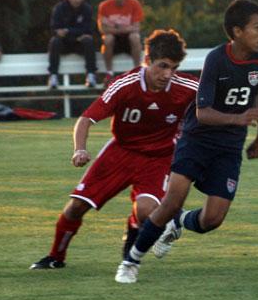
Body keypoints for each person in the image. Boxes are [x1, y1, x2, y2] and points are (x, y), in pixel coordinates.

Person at [118, 0, 258, 284]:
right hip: (197, 139)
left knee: (212, 220)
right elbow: (203, 113)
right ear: (237, 31)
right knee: (171, 201)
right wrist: (238, 119)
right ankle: (132, 259)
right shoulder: (217, 59)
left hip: (229, 148)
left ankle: (179, 222)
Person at [29, 29, 198, 279]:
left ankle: (134, 226)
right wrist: (80, 149)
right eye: (162, 66)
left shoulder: (186, 87)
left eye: (173, 68)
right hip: (121, 152)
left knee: (145, 213)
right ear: (147, 59)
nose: (167, 74)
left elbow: (215, 100)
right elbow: (86, 119)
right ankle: (56, 257)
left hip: (159, 157)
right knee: (76, 207)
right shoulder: (125, 85)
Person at [47, 0, 97, 89]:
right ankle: (53, 76)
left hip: (80, 43)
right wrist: (72, 34)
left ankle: (91, 75)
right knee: (54, 41)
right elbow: (54, 28)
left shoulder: (87, 9)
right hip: (64, 43)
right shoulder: (59, 9)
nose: (77, 0)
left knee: (89, 41)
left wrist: (68, 30)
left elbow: (88, 29)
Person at [97, 0, 144, 86]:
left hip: (129, 42)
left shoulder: (134, 4)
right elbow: (102, 29)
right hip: (114, 43)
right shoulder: (104, 6)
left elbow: (136, 28)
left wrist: (114, 27)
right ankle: (109, 73)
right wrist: (125, 28)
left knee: (135, 37)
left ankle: (138, 72)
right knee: (107, 38)